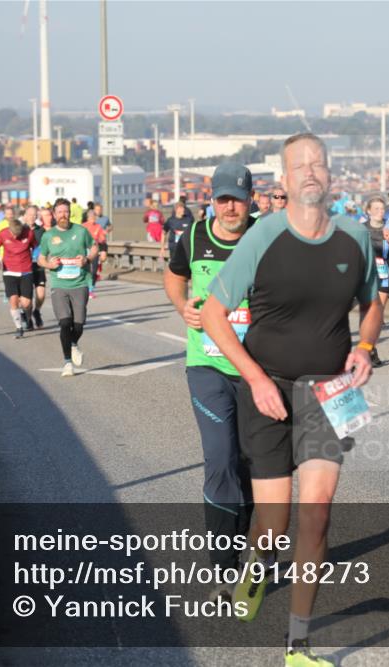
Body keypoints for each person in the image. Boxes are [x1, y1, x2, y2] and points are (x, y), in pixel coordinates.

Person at [201, 133, 381, 667]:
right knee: (275, 524)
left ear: (330, 175)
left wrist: (366, 346)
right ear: (282, 180)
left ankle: (297, 646)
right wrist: (253, 378)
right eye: (298, 166)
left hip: (329, 390)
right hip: (269, 388)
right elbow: (213, 313)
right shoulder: (262, 238)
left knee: (317, 513)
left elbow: (373, 304)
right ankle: (255, 567)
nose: (310, 172)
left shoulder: (354, 237)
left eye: (318, 164)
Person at [164, 163, 256, 603]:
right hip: (207, 366)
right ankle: (224, 565)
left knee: (251, 464)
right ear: (212, 200)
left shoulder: (268, 239)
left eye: (236, 198)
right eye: (222, 198)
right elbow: (174, 275)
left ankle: (242, 538)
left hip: (257, 371)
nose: (229, 206)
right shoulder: (194, 236)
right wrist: (182, 305)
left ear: (251, 198)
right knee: (219, 458)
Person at [37, 198, 97, 377]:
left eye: (66, 211)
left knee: (78, 324)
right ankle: (67, 363)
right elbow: (41, 258)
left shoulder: (81, 231)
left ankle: (73, 344)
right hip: (59, 284)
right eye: (60, 212)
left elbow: (94, 247)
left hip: (79, 283)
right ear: (55, 215)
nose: (64, 215)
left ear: (70, 212)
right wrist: (49, 265)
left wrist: (87, 259)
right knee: (64, 322)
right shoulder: (48, 236)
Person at [362, 196, 389, 367]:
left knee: (377, 314)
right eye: (376, 209)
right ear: (369, 211)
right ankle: (367, 349)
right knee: (368, 312)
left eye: (382, 209)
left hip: (384, 273)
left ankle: (371, 348)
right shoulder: (362, 229)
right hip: (367, 275)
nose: (380, 212)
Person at [0, 211, 39, 338]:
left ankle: (27, 317)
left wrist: (34, 256)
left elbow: (36, 247)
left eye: (18, 234)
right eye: (13, 234)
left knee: (26, 303)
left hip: (26, 270)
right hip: (9, 271)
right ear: (9, 230)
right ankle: (18, 328)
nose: (15, 237)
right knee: (13, 300)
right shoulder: (3, 233)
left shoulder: (29, 233)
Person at [30, 206, 51, 328]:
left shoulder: (41, 231)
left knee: (41, 294)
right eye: (30, 214)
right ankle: (25, 315)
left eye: (35, 215)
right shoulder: (22, 229)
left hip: (38, 265)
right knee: (25, 297)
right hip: (24, 265)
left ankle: (36, 311)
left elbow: (47, 246)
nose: (32, 217)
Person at [82, 209, 109, 299]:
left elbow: (102, 240)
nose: (93, 218)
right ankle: (84, 288)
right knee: (86, 271)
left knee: (94, 272)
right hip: (85, 251)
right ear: (88, 217)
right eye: (91, 217)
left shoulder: (98, 227)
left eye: (94, 217)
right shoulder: (83, 226)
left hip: (95, 251)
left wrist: (104, 251)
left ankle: (91, 290)